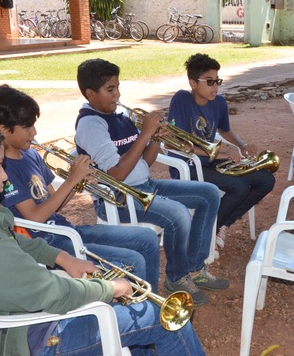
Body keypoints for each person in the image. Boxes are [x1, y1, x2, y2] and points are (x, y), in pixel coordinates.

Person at [0, 117, 205, 356]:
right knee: (159, 318)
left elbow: (9, 238)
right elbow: (51, 293)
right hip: (29, 337)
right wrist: (111, 289)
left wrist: (60, 257)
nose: (4, 178)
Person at [74, 58, 228, 306]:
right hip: (118, 196)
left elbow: (145, 160)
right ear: (91, 94)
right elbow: (116, 174)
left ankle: (194, 268)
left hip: (144, 186)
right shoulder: (91, 124)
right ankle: (176, 278)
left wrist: (155, 139)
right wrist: (145, 133)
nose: (117, 94)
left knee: (208, 194)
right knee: (178, 215)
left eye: (118, 87)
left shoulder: (120, 115)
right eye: (110, 90)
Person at [0, 84, 161, 291]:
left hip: (65, 230)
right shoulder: (2, 168)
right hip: (46, 244)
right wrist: (71, 181)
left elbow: (52, 204)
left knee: (147, 238)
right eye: (27, 127)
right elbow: (34, 218)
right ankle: (134, 315)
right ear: (3, 130)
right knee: (133, 261)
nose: (34, 132)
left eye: (33, 125)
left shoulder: (31, 154)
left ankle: (152, 306)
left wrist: (77, 182)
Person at [167, 53, 276, 251]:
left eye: (217, 81)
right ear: (193, 83)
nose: (215, 86)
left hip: (210, 161)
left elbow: (224, 129)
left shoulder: (219, 103)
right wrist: (220, 154)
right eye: (209, 82)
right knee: (239, 187)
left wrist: (242, 146)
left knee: (266, 180)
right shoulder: (181, 99)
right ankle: (204, 233)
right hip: (187, 165)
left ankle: (220, 225)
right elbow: (173, 144)